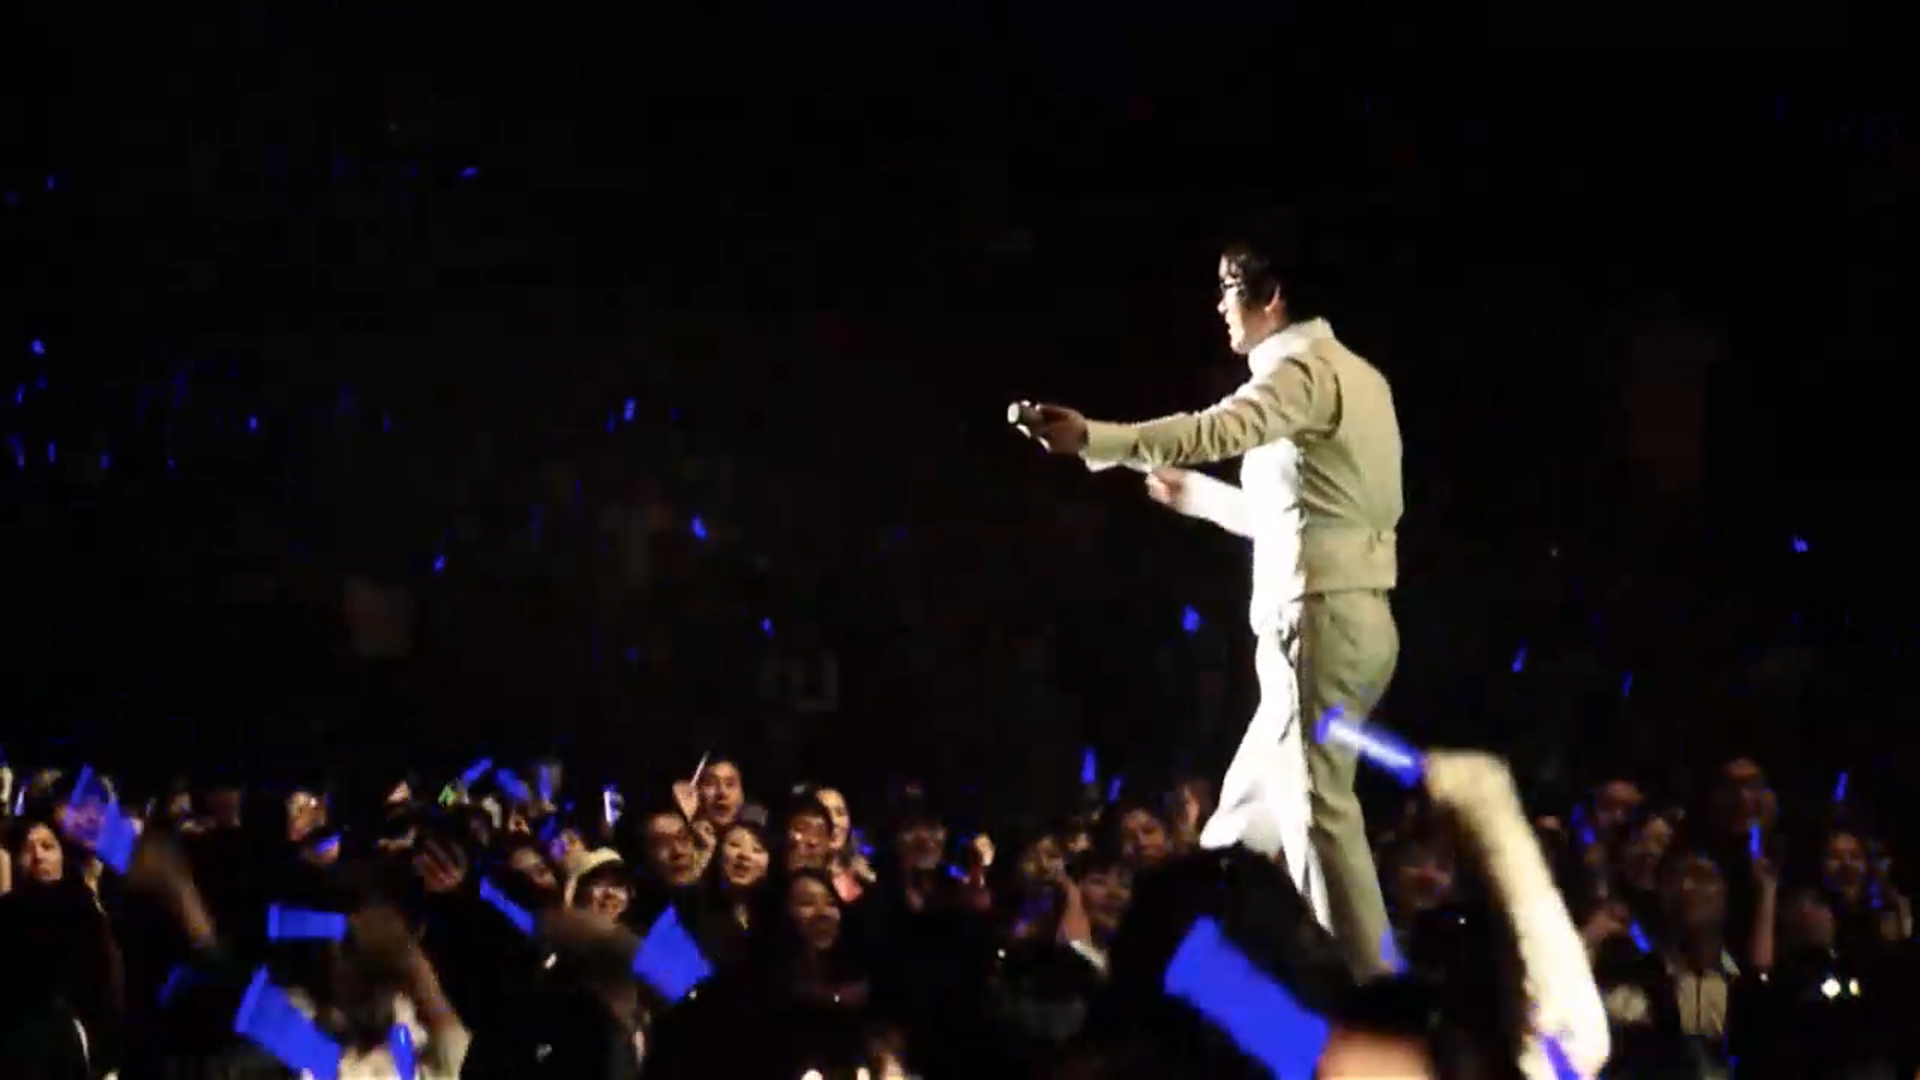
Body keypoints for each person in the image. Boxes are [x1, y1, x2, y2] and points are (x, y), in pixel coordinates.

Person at [1015, 225, 1402, 977]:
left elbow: (1214, 428)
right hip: (1346, 622)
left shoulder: (1302, 370)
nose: (1220, 306)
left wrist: (1094, 438)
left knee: (1317, 813)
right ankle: (1184, 977)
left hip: (1320, 625)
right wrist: (1202, 500)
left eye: (1228, 289)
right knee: (1239, 830)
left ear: (1271, 295)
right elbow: (1309, 523)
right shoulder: (1360, 379)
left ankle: (1377, 994)